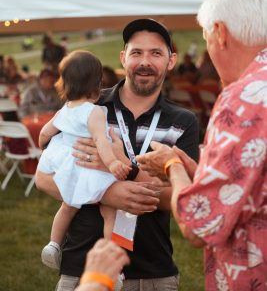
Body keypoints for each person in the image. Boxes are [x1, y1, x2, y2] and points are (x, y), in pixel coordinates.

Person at [36, 18, 199, 291]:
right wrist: (107, 193)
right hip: (83, 268)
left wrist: (131, 174)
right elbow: (43, 178)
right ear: (123, 58)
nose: (144, 61)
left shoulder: (183, 121)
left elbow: (179, 196)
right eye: (137, 53)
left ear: (171, 61)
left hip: (152, 272)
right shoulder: (88, 107)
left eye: (155, 53)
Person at [137, 0, 267, 291]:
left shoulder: (244, 97)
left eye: (206, 37)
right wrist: (196, 168)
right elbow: (244, 187)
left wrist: (172, 165)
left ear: (220, 33)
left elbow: (201, 224)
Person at [37, 50, 131, 271]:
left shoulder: (64, 110)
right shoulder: (95, 112)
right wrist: (113, 163)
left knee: (67, 207)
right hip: (92, 170)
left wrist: (44, 148)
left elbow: (44, 134)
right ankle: (111, 264)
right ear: (97, 85)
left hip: (70, 169)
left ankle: (53, 244)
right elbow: (101, 141)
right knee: (110, 212)